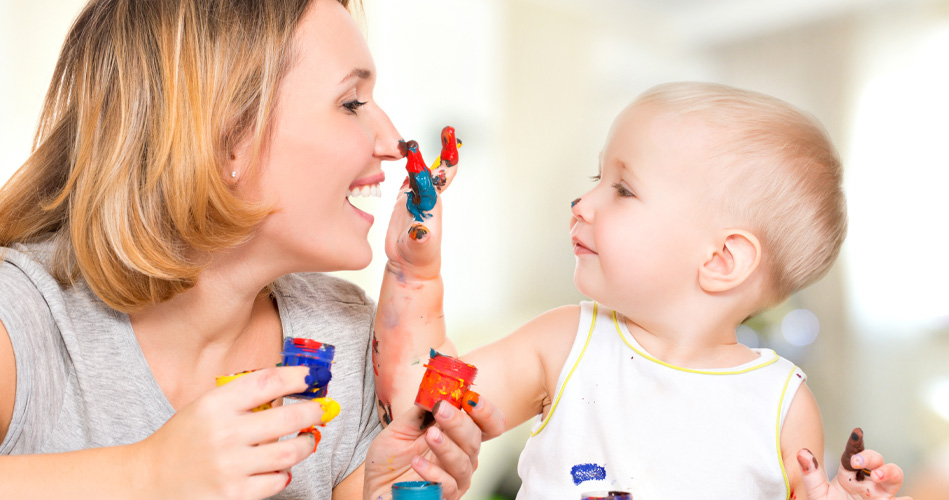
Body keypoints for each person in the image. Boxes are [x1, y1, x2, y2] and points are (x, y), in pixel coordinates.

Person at [0, 0, 503, 498]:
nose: (394, 140)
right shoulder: (24, 320)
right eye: (351, 103)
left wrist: (395, 491)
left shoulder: (343, 340)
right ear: (225, 141)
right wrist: (146, 475)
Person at [372, 82, 911, 499]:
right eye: (596, 177)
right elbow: (422, 400)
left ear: (721, 259)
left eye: (623, 189)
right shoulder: (565, 342)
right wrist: (413, 275)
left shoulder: (784, 407)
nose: (581, 204)